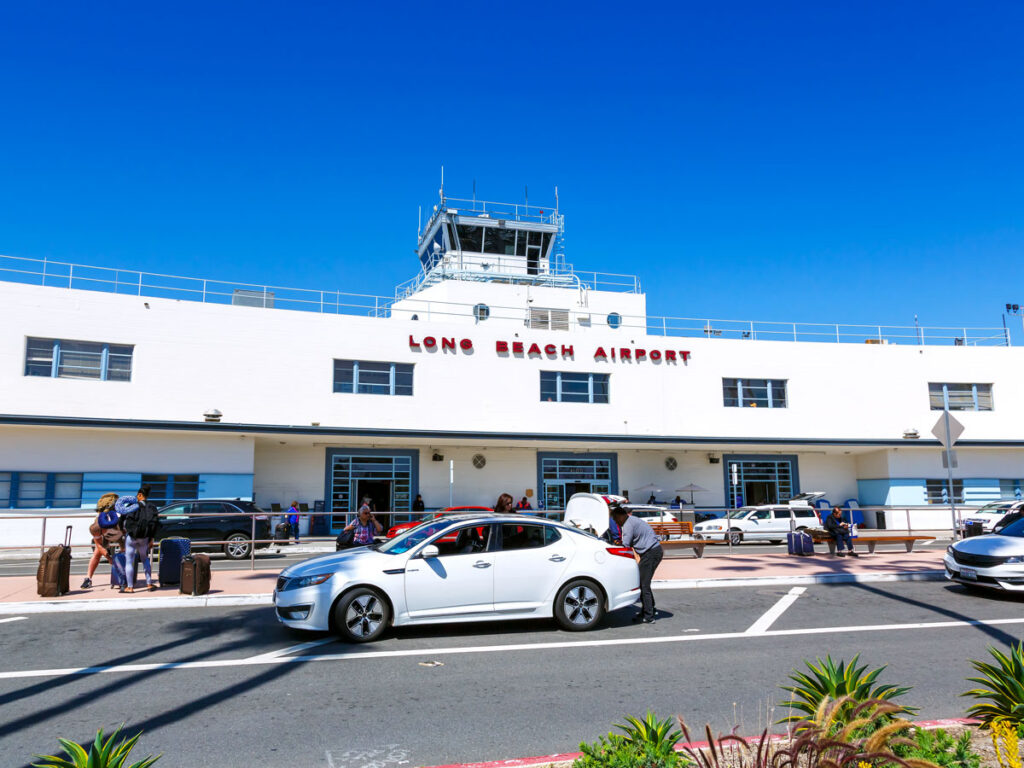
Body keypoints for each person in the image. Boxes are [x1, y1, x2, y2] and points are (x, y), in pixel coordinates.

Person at [610, 503, 663, 623]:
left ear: (620, 516)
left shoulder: (628, 525)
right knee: (643, 582)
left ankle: (649, 616)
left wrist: (615, 545)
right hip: (653, 551)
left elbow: (625, 546)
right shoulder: (632, 520)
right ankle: (650, 609)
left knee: (643, 584)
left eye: (615, 519)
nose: (615, 522)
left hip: (651, 553)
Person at [117, 486, 160, 593]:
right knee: (145, 559)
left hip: (131, 537)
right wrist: (151, 539)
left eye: (137, 495)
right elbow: (154, 524)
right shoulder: (152, 507)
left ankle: (130, 587)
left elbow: (121, 520)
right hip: (145, 537)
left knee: (129, 561)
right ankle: (149, 584)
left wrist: (123, 531)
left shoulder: (132, 505)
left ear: (140, 495)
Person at [81, 492, 120, 589]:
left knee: (124, 552)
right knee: (97, 553)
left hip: (116, 535)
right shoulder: (98, 522)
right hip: (104, 536)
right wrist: (109, 558)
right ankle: (88, 578)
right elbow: (99, 545)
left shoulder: (116, 516)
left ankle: (122, 577)